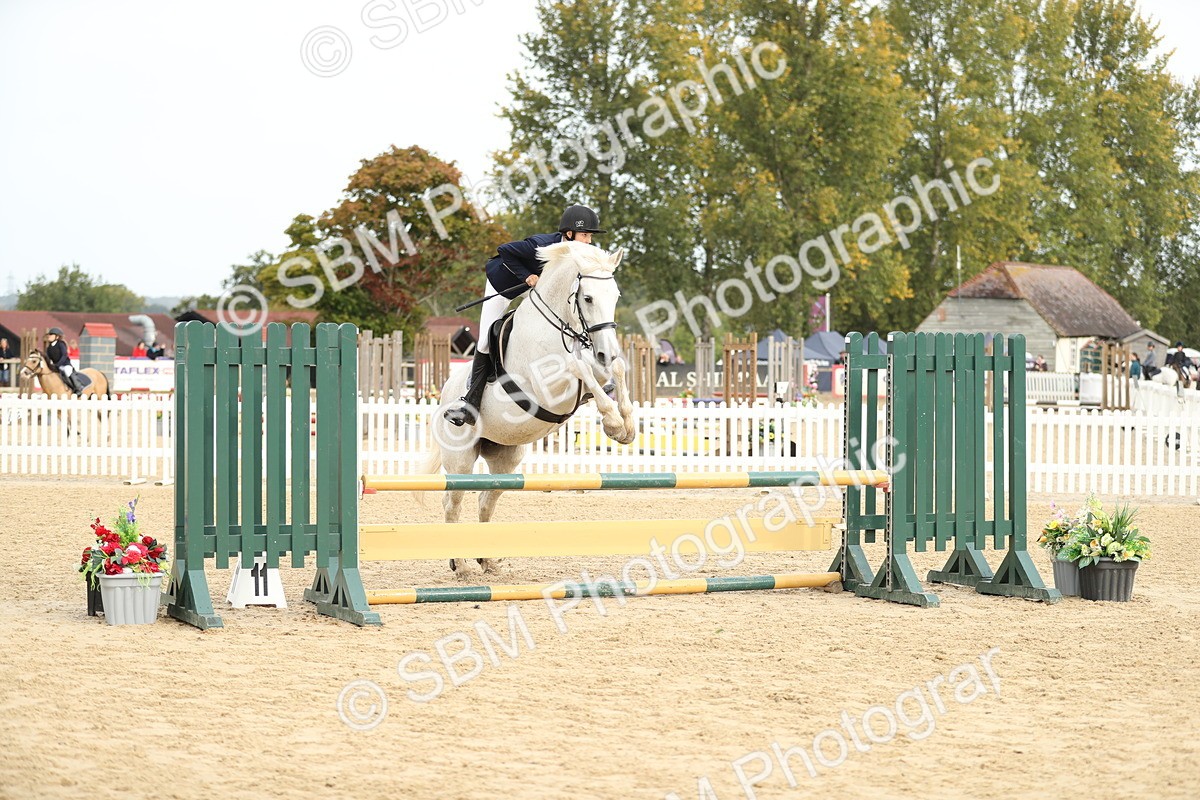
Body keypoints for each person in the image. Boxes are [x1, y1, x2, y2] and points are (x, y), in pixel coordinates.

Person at [443, 204, 608, 427]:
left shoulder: (576, 256)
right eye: (585, 235)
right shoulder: (541, 244)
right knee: (484, 341)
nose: (589, 241)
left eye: (590, 236)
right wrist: (526, 275)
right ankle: (470, 401)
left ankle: (590, 378)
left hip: (534, 289)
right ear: (569, 234)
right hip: (503, 285)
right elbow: (504, 250)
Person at [44, 328, 83, 395]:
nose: (49, 336)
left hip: (65, 364)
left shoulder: (61, 344)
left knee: (67, 371)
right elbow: (48, 358)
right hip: (55, 366)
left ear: (57, 337)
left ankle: (77, 387)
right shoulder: (49, 348)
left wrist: (58, 364)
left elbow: (64, 355)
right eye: (49, 335)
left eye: (51, 334)